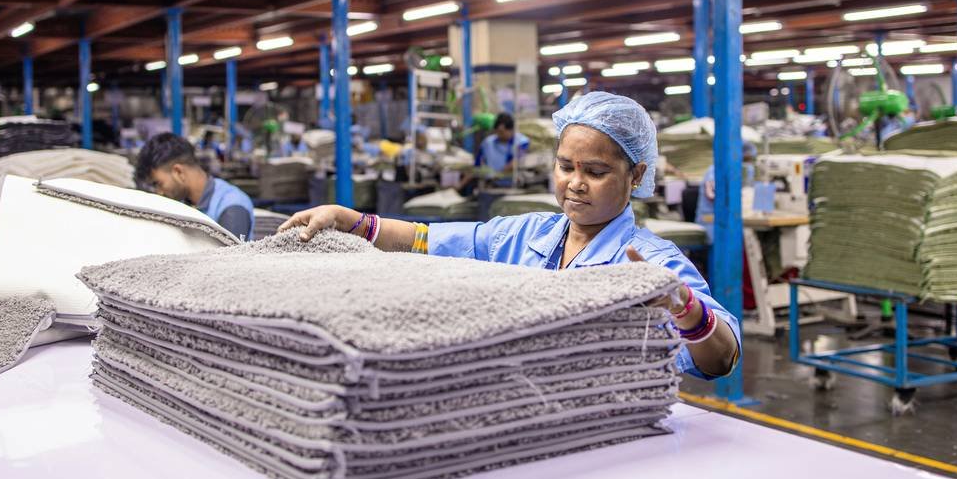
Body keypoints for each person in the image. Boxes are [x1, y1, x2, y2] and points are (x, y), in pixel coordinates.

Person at [281, 91, 740, 380]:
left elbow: (722, 358)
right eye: (565, 167)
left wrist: (685, 309)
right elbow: (425, 239)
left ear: (636, 174)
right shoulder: (524, 235)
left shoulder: (653, 263)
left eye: (596, 172)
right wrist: (351, 221)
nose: (575, 183)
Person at [135, 133, 255, 241]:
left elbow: (227, 261)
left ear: (178, 172)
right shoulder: (185, 203)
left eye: (158, 184)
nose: (159, 192)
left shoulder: (231, 207)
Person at [476, 112, 530, 183]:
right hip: (490, 183)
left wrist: (497, 175)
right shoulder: (487, 143)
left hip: (511, 182)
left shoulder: (521, 142)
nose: (499, 135)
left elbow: (516, 162)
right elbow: (478, 165)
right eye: (497, 132)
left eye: (502, 132)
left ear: (511, 130)